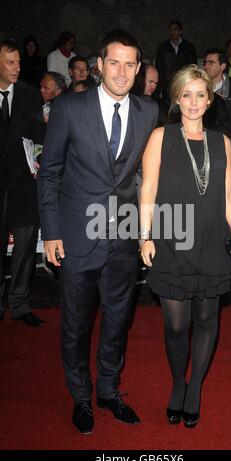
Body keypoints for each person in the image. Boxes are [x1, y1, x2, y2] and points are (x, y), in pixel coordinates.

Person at [37, 30, 158, 434]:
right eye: (114, 62)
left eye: (130, 64)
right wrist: (50, 232)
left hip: (122, 238)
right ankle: (81, 396)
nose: (122, 72)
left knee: (117, 320)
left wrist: (146, 232)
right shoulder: (69, 108)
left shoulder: (148, 111)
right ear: (100, 65)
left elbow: (146, 176)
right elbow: (49, 173)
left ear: (138, 69)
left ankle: (108, 390)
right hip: (75, 235)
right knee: (75, 322)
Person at [140, 65, 231, 428]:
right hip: (172, 240)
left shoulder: (223, 142)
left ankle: (194, 388)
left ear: (210, 98)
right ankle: (176, 382)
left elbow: (227, 198)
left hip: (210, 243)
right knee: (175, 327)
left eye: (200, 94)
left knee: (206, 320)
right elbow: (148, 192)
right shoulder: (161, 136)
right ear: (176, 98)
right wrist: (145, 236)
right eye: (186, 94)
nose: (193, 101)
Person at [0, 39, 45, 326]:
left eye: (18, 62)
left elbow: (40, 135)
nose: (18, 67)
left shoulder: (30, 94)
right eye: (11, 62)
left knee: (26, 247)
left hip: (24, 184)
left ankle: (19, 303)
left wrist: (41, 159)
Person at [156, 20, 197, 103]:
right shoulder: (163, 47)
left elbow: (193, 66)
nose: (172, 32)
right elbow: (159, 67)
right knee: (168, 109)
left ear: (180, 31)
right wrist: (161, 86)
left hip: (184, 84)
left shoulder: (188, 47)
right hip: (168, 86)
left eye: (175, 29)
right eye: (170, 29)